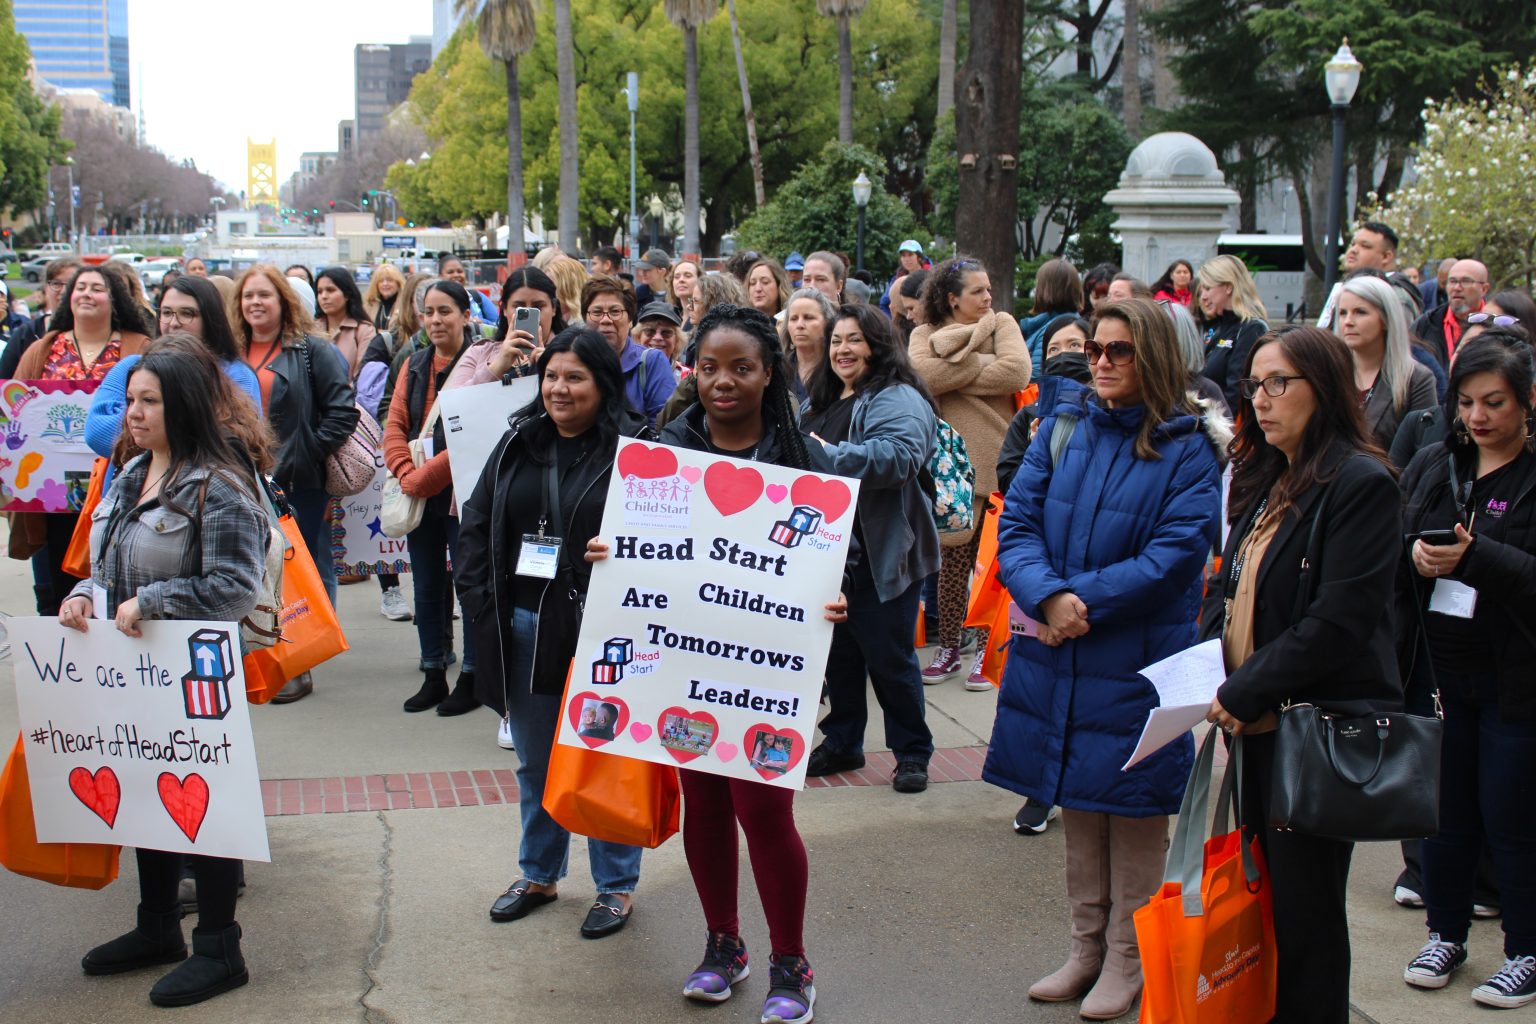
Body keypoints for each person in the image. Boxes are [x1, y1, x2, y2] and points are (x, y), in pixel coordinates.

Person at [989, 299, 1226, 1020]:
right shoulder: (1061, 425)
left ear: (1151, 356)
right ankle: (1085, 950)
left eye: (1119, 350)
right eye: (1095, 347)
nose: (1101, 361)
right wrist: (1048, 596)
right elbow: (1018, 523)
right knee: (1078, 800)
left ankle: (1130, 958)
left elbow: (1174, 556)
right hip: (1058, 652)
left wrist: (1071, 601)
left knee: (1134, 807)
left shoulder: (1191, 448)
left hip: (1137, 658)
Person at [636, 304, 841, 1022]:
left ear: (769, 373)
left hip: (768, 671)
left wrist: (835, 600)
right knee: (708, 801)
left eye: (742, 367)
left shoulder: (806, 462)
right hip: (685, 664)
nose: (724, 381)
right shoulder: (663, 453)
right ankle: (724, 944)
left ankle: (793, 963)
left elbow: (850, 569)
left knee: (763, 805)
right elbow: (629, 551)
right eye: (711, 367)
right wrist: (609, 556)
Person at [61, 345, 271, 1007]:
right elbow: (110, 562)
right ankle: (157, 928)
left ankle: (219, 946)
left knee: (200, 808)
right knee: (148, 795)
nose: (135, 412)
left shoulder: (222, 486)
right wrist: (85, 597)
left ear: (180, 405)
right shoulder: (129, 474)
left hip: (195, 676)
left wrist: (152, 603)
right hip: (135, 673)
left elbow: (238, 589)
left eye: (149, 400)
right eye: (131, 400)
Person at [1203, 325, 1402, 1023]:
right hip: (1256, 726)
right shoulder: (1271, 473)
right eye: (1254, 384)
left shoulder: (1362, 481)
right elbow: (1234, 587)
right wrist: (1204, 666)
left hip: (1312, 730)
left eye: (1278, 383)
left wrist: (1242, 686)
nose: (1261, 399)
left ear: (1325, 389)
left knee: (1308, 918)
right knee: (1274, 909)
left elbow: (1339, 620)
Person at [455, 327, 652, 939]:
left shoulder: (638, 451)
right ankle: (539, 873)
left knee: (603, 755)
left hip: (603, 632)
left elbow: (669, 543)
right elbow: (476, 523)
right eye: (551, 377)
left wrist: (624, 553)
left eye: (575, 378)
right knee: (536, 762)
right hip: (524, 624)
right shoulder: (518, 441)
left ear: (603, 385)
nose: (559, 390)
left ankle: (615, 885)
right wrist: (482, 602)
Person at [1396, 328, 1536, 1009]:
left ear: (1526, 403)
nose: (1478, 417)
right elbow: (1398, 537)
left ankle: (1525, 948)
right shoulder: (1436, 463)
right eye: (1468, 403)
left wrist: (1474, 558)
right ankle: (1444, 932)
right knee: (1443, 816)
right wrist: (1416, 559)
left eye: (1496, 403)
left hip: (1517, 681)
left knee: (1512, 819)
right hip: (1442, 672)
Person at [804, 304, 940, 793]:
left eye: (854, 339)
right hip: (829, 554)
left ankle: (912, 752)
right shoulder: (818, 398)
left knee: (889, 659)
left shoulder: (895, 396)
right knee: (838, 656)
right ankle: (843, 741)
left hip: (883, 553)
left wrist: (826, 456)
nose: (842, 349)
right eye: (837, 340)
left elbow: (901, 457)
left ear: (878, 345)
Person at [232, 265, 358, 704]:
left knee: (298, 572)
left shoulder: (311, 350)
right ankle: (256, 658)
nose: (255, 303)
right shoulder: (230, 352)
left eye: (264, 295)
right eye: (248, 296)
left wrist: (303, 455)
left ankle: (300, 662)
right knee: (246, 568)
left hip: (297, 482)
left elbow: (344, 413)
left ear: (283, 300)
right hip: (236, 479)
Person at [908, 257, 1031, 689]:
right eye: (977, 291)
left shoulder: (1003, 323)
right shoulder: (922, 334)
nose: (987, 297)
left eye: (988, 288)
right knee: (951, 562)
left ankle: (985, 649)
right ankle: (949, 648)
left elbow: (1017, 371)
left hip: (998, 461)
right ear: (951, 298)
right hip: (948, 468)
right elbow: (922, 377)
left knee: (991, 565)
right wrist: (982, 362)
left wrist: (956, 369)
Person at [9, 266, 151, 614]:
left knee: (112, 586)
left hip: (116, 489)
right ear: (68, 298)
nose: (87, 293)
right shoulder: (41, 350)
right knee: (54, 592)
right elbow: (13, 413)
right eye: (80, 287)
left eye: (97, 288)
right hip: (51, 496)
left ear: (114, 298)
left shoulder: (140, 348)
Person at [384, 279, 481, 717]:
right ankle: (432, 671)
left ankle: (473, 676)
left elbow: (473, 436)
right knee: (425, 585)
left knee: (467, 584)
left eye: (446, 311)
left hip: (462, 494)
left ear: (466, 315)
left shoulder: (483, 362)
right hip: (420, 492)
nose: (437, 320)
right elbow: (395, 422)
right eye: (429, 312)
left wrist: (424, 478)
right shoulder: (414, 362)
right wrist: (406, 473)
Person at [86, 276, 262, 470]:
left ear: (211, 319)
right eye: (167, 312)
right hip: (131, 489)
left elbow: (235, 443)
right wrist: (193, 420)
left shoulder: (235, 375)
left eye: (187, 313)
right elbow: (98, 435)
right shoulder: (130, 367)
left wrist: (147, 428)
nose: (174, 323)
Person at [1333, 274, 1438, 449]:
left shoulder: (1416, 379)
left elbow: (1425, 452)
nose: (1348, 322)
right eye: (1343, 313)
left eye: (1360, 312)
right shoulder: (1329, 373)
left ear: (1386, 319)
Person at [995, 314, 1092, 499]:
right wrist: (1037, 451)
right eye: (1053, 349)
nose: (1063, 354)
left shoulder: (1109, 407)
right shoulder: (1030, 414)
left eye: (1074, 345)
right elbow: (1008, 483)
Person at [446, 266, 567, 390]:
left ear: (554, 309)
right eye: (519, 307)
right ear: (504, 309)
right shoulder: (479, 352)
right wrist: (498, 365)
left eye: (538, 307)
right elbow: (454, 405)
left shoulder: (571, 351)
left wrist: (549, 368)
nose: (530, 312)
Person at [581, 274, 675, 424]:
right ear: (585, 319)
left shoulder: (651, 362)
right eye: (597, 312)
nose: (606, 320)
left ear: (631, 320)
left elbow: (662, 425)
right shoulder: (573, 361)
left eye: (615, 312)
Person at [1196, 253, 1270, 410]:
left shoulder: (1251, 328)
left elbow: (1237, 391)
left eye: (1208, 288)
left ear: (1228, 287)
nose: (1203, 297)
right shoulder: (1217, 326)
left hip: (1226, 428)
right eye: (1201, 290)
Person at [1414, 259, 1489, 368]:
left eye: (1466, 281)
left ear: (1484, 289)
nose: (1457, 288)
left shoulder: (1499, 326)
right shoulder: (1426, 324)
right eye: (1452, 281)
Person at [1019, 258, 1084, 376]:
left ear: (1046, 289)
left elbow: (1036, 376)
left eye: (1038, 284)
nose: (1035, 290)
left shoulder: (1056, 328)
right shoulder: (1067, 323)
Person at [314, 267, 378, 379]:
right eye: (319, 292)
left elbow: (363, 377)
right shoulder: (311, 330)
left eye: (330, 290)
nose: (324, 296)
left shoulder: (364, 330)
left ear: (347, 294)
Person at [781, 287, 837, 398]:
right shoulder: (779, 369)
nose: (799, 325)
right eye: (794, 318)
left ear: (827, 323)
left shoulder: (837, 369)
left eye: (808, 318)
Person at [437, 253, 500, 323]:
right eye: (450, 272)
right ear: (440, 276)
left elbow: (497, 324)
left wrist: (480, 323)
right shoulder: (435, 302)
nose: (456, 275)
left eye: (460, 271)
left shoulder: (477, 297)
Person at [879, 239, 926, 315]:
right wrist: (891, 323)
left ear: (919, 257)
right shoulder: (896, 279)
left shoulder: (930, 278)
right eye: (903, 255)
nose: (906, 259)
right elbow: (884, 304)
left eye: (910, 254)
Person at [546, 256, 591, 328]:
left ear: (568, 289)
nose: (546, 292)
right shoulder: (552, 320)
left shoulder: (585, 325)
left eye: (551, 287)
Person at [634, 301, 685, 365]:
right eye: (650, 331)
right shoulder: (623, 373)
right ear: (638, 337)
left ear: (677, 340)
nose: (658, 338)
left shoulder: (687, 374)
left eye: (666, 332)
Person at [364, 264, 406, 332]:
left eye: (389, 280)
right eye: (381, 281)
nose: (385, 284)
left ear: (398, 283)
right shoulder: (369, 305)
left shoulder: (406, 304)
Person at [671, 256, 703, 328]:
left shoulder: (704, 319)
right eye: (676, 277)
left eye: (688, 276)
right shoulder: (670, 316)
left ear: (700, 280)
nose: (681, 280)